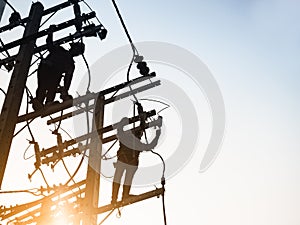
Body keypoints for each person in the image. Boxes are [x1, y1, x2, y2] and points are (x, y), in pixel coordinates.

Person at [32, 26, 85, 110]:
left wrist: (65, 91)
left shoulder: (70, 64)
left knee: (52, 86)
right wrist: (50, 33)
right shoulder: (60, 50)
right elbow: (50, 45)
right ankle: (39, 101)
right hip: (46, 69)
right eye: (77, 49)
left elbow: (68, 78)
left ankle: (47, 102)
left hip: (53, 74)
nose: (76, 51)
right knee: (43, 86)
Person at [111, 117, 162, 204]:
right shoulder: (128, 138)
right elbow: (150, 146)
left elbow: (120, 130)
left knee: (122, 179)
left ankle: (120, 197)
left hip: (128, 163)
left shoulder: (132, 140)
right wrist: (157, 134)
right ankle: (119, 197)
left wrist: (123, 122)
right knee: (121, 179)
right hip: (126, 162)